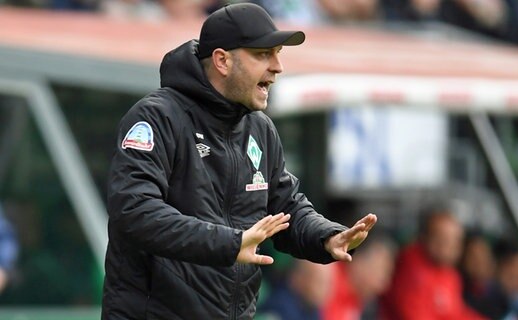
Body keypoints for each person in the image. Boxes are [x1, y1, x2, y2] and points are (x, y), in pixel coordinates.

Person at [102, 3, 378, 319]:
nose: (277, 67)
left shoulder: (260, 128)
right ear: (222, 60)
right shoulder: (156, 118)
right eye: (263, 55)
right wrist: (230, 243)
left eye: (278, 54)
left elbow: (286, 208)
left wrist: (327, 236)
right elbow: (135, 210)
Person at [382, 205, 485, 320]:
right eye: (443, 238)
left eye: (456, 240)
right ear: (425, 237)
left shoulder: (449, 273)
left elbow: (456, 313)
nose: (451, 247)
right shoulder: (411, 268)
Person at [322, 231, 396, 320]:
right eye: (378, 271)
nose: (382, 286)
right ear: (358, 262)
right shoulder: (325, 281)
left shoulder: (358, 300)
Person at [260, 259, 332, 320]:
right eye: (319, 282)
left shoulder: (313, 309)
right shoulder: (279, 307)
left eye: (328, 283)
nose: (326, 290)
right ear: (299, 279)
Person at [460, 233, 509, 319]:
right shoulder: (458, 292)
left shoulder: (500, 292)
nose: (480, 261)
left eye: (483, 254)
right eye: (473, 256)